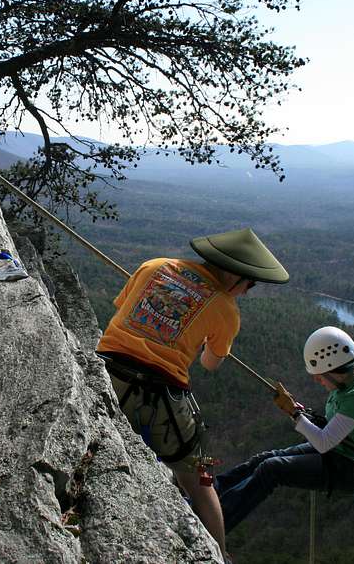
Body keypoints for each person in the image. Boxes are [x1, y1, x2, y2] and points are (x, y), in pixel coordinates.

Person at [96, 228, 289, 559]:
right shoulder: (225, 307)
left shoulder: (154, 266)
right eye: (250, 283)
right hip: (164, 397)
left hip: (106, 375)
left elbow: (121, 312)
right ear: (234, 274)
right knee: (202, 481)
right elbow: (210, 363)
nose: (246, 292)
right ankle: (219, 555)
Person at [215, 326, 354, 534]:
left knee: (271, 468)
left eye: (319, 375)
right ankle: (212, 492)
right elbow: (335, 427)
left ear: (334, 370)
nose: (316, 379)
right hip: (342, 452)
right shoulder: (348, 384)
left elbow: (324, 442)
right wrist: (297, 411)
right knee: (265, 458)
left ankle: (215, 521)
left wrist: (294, 414)